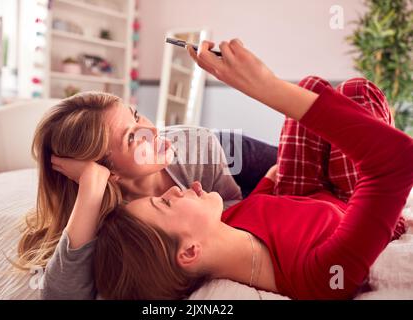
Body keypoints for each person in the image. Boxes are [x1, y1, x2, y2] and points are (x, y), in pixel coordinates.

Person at [82, 39, 413, 299]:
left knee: (311, 85)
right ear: (191, 251)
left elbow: (259, 207)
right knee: (358, 93)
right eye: (166, 203)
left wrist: (269, 182)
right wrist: (262, 85)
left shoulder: (226, 220)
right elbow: (397, 160)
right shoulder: (323, 277)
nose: (172, 189)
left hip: (301, 194)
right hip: (346, 202)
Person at [13, 89, 277, 298]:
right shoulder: (115, 218)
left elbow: (238, 209)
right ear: (108, 172)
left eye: (136, 114)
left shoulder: (198, 145)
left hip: (227, 149)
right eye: (131, 138)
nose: (152, 130)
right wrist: (91, 185)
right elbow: (61, 295)